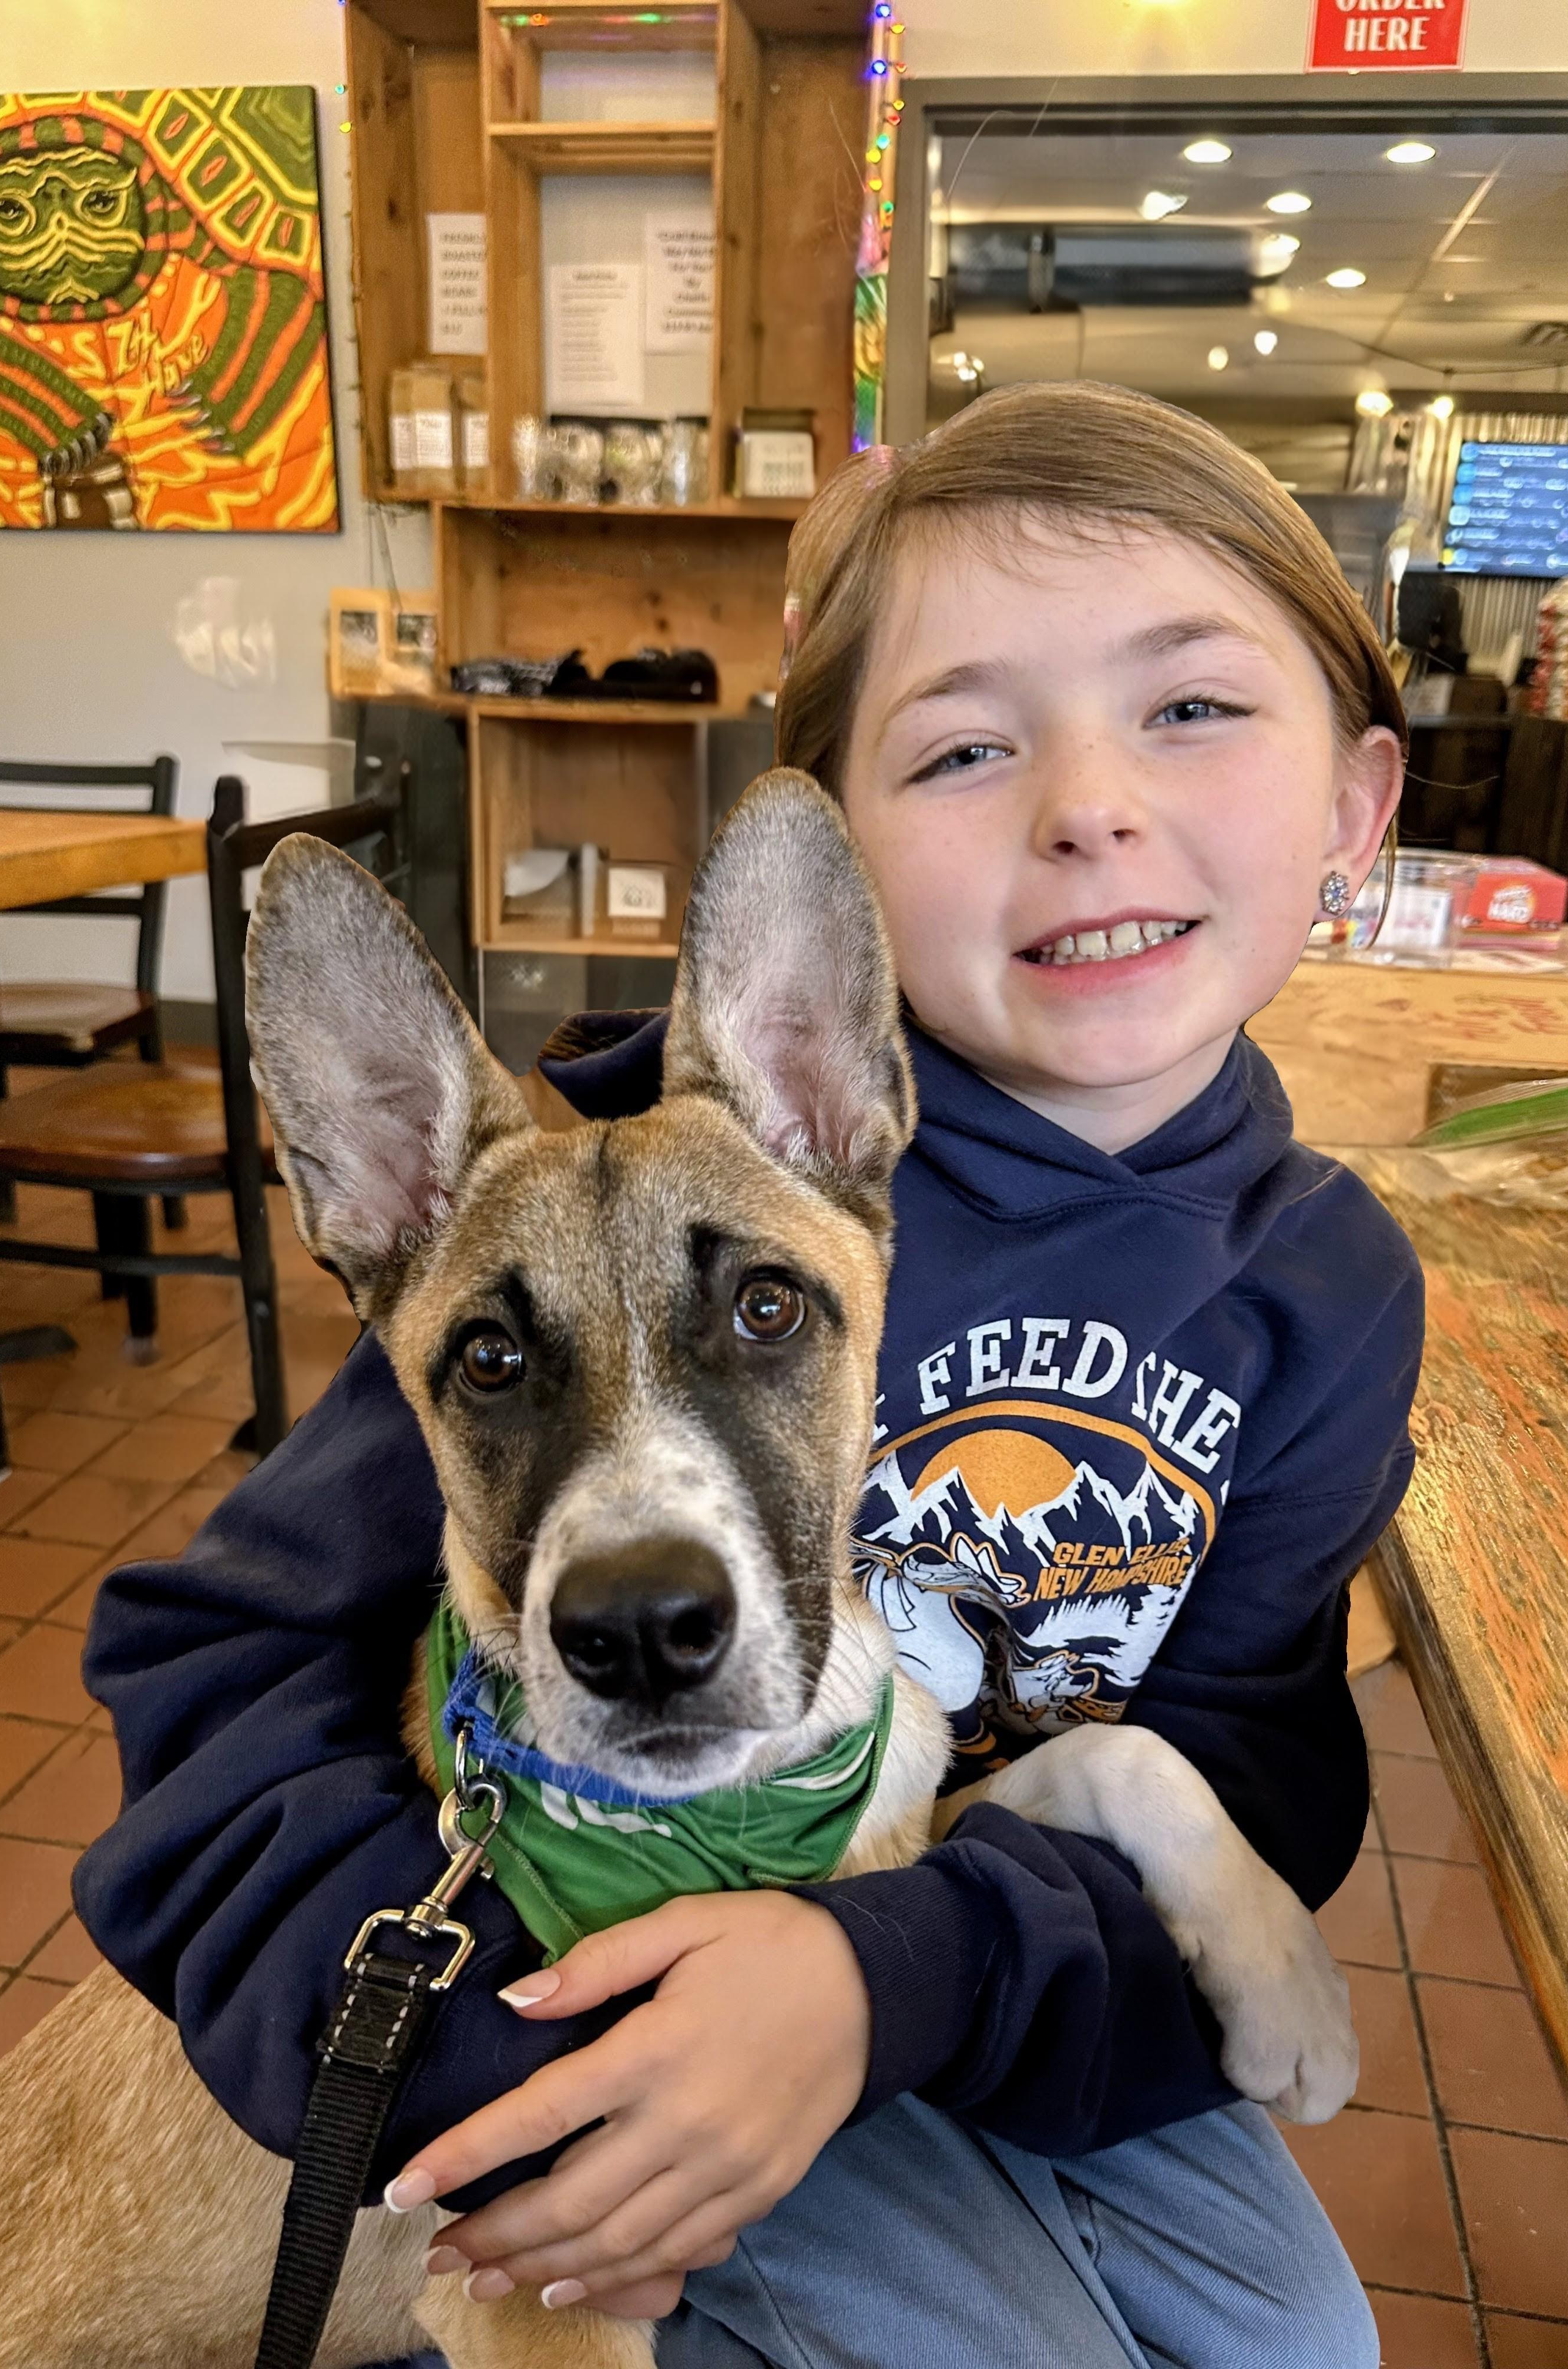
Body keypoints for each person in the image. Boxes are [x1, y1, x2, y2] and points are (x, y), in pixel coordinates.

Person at [76, 381, 1423, 2369]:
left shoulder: (1319, 1288)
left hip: (975, 1957)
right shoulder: (562, 1210)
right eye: (965, 743)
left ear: (1358, 806)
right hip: (595, 1984)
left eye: (1193, 707)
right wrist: (475, 2079)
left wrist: (892, 1978)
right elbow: (210, 1663)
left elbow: (1264, 1757)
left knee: (1313, 2346)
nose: (1087, 806)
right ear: (847, 904)